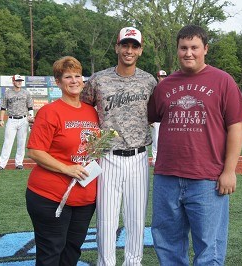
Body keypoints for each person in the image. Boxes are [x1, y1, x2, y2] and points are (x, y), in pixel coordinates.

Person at [148, 24, 242, 265]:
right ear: (177, 50)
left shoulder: (222, 81)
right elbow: (147, 118)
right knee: (167, 243)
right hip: (167, 177)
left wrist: (229, 171)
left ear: (205, 49)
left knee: (210, 246)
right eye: (183, 48)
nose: (188, 53)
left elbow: (236, 126)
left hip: (207, 179)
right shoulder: (165, 86)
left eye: (194, 47)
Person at [81, 26, 157, 265]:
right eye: (125, 45)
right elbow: (82, 108)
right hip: (107, 156)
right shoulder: (99, 79)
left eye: (134, 46)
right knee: (106, 219)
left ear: (141, 50)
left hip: (138, 157)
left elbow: (155, 114)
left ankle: (134, 262)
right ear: (117, 47)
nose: (129, 50)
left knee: (136, 218)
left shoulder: (148, 81)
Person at [25, 56, 99, 265]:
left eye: (77, 76)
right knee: (51, 253)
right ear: (58, 82)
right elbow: (35, 151)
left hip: (84, 198)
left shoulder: (91, 111)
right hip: (51, 196)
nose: (74, 80)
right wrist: (67, 169)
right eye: (68, 77)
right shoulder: (50, 111)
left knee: (72, 252)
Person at [0, 74, 34, 171]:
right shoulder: (7, 93)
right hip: (11, 120)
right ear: (13, 82)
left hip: (23, 120)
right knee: (7, 142)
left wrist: (31, 119)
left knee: (21, 142)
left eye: (20, 80)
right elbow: (3, 107)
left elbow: (30, 107)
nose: (19, 82)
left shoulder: (26, 93)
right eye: (17, 80)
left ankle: (19, 163)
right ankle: (1, 164)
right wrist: (1, 119)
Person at [150, 70, 167, 166]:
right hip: (156, 117)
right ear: (157, 77)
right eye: (161, 77)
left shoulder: (168, 87)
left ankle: (163, 159)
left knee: (164, 138)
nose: (162, 78)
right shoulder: (154, 88)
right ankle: (155, 158)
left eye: (164, 76)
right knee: (156, 137)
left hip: (164, 116)